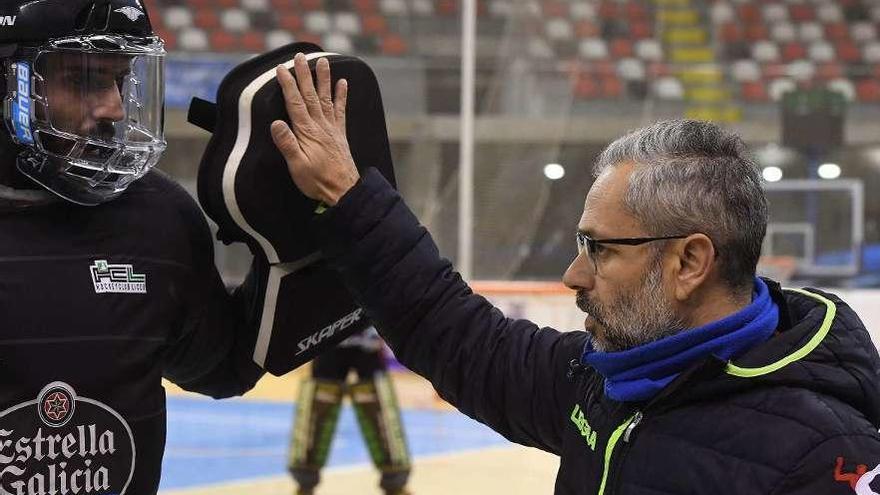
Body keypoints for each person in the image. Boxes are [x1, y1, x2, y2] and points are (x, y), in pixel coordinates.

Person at [269, 53, 880, 494]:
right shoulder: (608, 381)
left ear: (690, 262)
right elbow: (455, 334)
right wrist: (347, 197)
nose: (573, 275)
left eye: (602, 249)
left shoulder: (824, 458)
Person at [0, 2, 268, 493]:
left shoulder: (160, 217)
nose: (115, 108)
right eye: (83, 81)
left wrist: (306, 238)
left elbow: (223, 368)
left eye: (120, 81)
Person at [287, 326, 412, 495]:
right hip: (328, 337)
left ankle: (395, 484)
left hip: (369, 340)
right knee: (317, 407)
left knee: (380, 406)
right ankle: (304, 484)